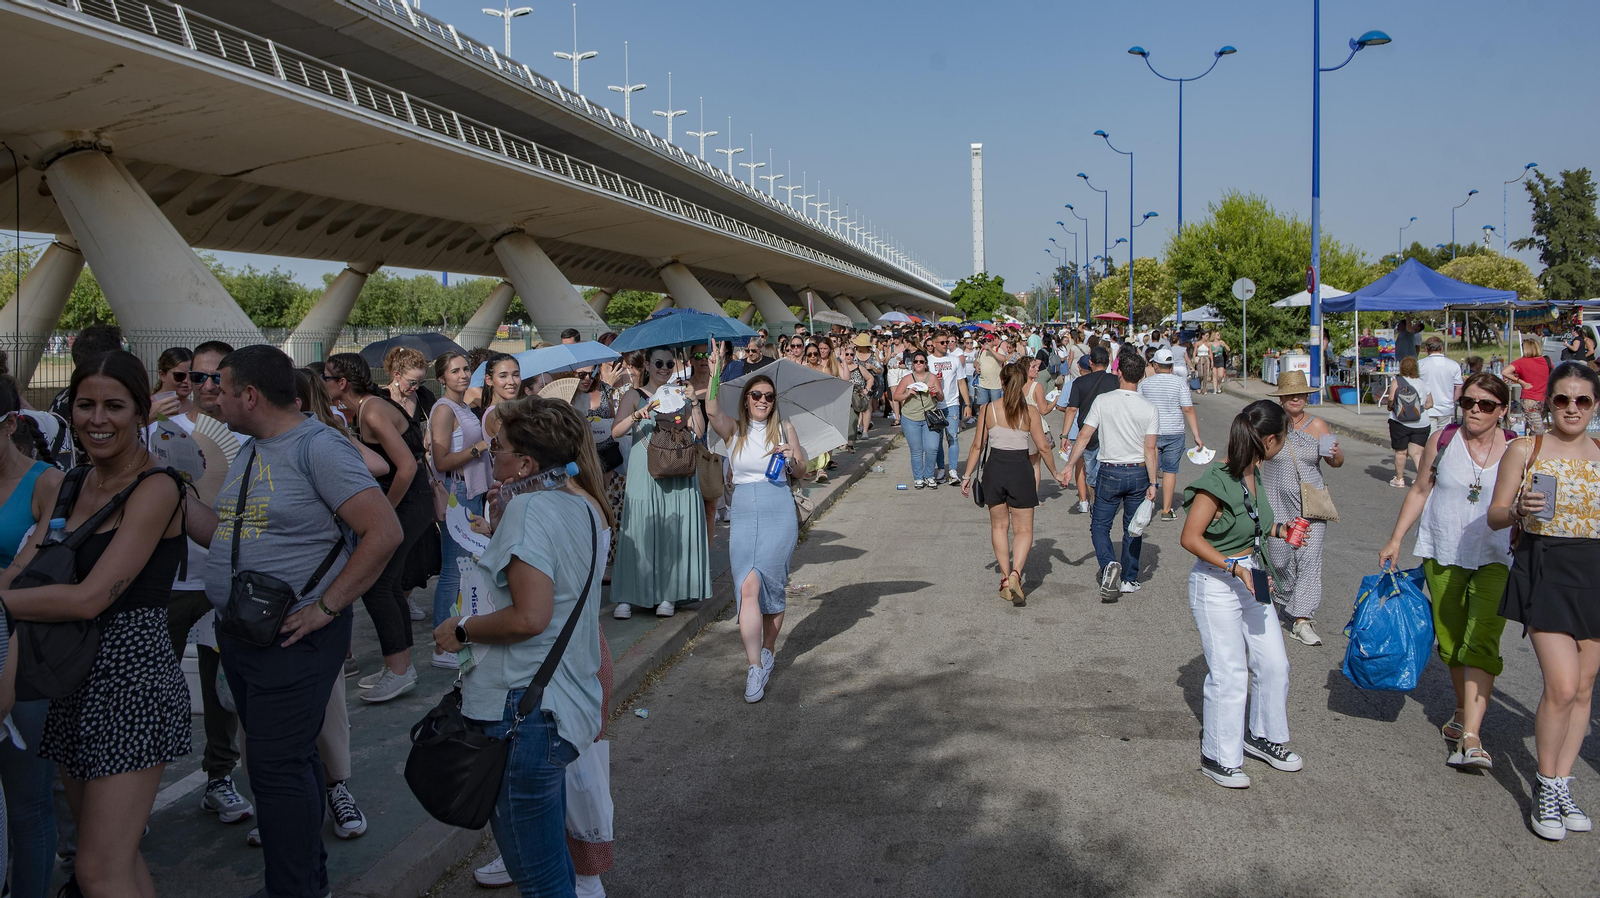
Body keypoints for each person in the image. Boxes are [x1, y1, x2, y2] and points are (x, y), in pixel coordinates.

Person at [202, 345, 400, 896]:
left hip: (292, 639)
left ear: (249, 395)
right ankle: (308, 880)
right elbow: (237, 533)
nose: (212, 396)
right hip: (247, 633)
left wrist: (327, 607)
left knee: (275, 771)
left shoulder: (318, 447)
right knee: (287, 763)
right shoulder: (253, 447)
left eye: (220, 387)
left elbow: (383, 531)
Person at [1, 351, 188, 898]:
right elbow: (22, 574)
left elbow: (88, 599)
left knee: (97, 871)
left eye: (114, 406)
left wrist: (2, 604)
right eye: (85, 405)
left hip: (131, 685)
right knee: (110, 858)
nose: (97, 419)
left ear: (141, 412)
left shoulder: (157, 487)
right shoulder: (70, 482)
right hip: (69, 679)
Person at [432, 397, 610, 897]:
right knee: (551, 864)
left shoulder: (530, 509)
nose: (492, 454)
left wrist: (462, 629)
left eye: (499, 448)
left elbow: (530, 617)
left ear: (527, 463)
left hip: (525, 709)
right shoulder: (580, 503)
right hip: (556, 704)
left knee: (540, 878)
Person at [1487, 362, 1600, 841]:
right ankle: (1546, 784)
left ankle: (1562, 782)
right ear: (1548, 401)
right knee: (1563, 685)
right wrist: (1517, 509)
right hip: (1546, 569)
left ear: (1595, 405)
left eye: (1582, 400)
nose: (1572, 409)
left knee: (1584, 688)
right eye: (1562, 399)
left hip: (1595, 573)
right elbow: (1495, 515)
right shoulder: (1525, 448)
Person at [1379, 373, 1514, 770]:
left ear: (1503, 410)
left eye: (1486, 405)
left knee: (1482, 638)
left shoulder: (1517, 449)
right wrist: (1396, 539)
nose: (1475, 410)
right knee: (1452, 641)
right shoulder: (1443, 439)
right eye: (1468, 402)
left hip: (1496, 557)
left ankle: (1471, 736)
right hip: (1443, 552)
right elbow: (1420, 490)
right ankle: (1463, 708)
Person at [1179, 400, 1303, 789]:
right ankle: (1218, 756)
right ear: (1270, 440)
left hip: (1254, 575)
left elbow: (1253, 522)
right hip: (1217, 582)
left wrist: (1281, 531)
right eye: (1284, 438)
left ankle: (1263, 736)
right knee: (1230, 674)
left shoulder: (1254, 471)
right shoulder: (1217, 479)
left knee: (1274, 663)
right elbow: (1190, 538)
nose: (1284, 444)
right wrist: (1234, 568)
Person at [324, 353, 435, 702]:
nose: (322, 384)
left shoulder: (372, 409)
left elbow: (406, 467)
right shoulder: (368, 407)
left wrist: (385, 512)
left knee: (377, 585)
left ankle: (399, 671)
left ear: (342, 383)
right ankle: (399, 666)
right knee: (387, 584)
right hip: (409, 503)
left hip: (409, 503)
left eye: (326, 378)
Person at [704, 355, 805, 702]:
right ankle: (754, 667)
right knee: (747, 586)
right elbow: (711, 410)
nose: (763, 400)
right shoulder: (734, 430)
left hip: (779, 509)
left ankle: (768, 650)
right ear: (746, 399)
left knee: (772, 588)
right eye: (756, 395)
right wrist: (715, 373)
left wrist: (791, 458)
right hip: (745, 511)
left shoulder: (786, 428)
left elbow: (802, 470)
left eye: (769, 396)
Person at [0, 379, 63, 898]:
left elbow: (25, 577)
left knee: (28, 806)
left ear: (11, 423)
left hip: (25, 659)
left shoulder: (48, 483)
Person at [610, 346, 711, 620]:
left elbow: (698, 432)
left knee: (673, 531)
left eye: (669, 363)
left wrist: (695, 403)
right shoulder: (634, 395)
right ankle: (628, 594)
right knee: (638, 528)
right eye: (658, 363)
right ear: (647, 364)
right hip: (644, 470)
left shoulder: (679, 394)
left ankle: (669, 593)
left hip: (677, 468)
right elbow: (616, 431)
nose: (664, 368)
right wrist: (636, 415)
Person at [961, 362, 1060, 606]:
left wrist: (967, 476)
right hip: (1020, 469)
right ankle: (1017, 573)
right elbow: (1043, 447)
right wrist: (1056, 473)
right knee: (1023, 529)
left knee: (999, 526)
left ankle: (1005, 577)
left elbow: (977, 446)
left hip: (995, 469)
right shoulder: (1030, 412)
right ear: (1024, 383)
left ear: (1002, 382)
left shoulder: (988, 409)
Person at [1064, 351, 1159, 602]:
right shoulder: (1149, 408)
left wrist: (1069, 465)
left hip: (1110, 471)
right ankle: (1129, 579)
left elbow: (1084, 436)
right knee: (1133, 527)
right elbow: (1150, 449)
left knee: (1099, 525)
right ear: (1142, 376)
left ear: (1119, 373)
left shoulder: (1103, 401)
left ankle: (1108, 563)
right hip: (1138, 471)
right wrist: (1153, 482)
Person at [1261, 370, 1345, 646]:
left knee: (1309, 561)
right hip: (1275, 501)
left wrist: (1336, 454)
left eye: (1301, 394)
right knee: (1278, 560)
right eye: (1291, 394)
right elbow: (1256, 458)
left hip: (1310, 504)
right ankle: (1278, 599)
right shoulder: (1271, 424)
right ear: (1281, 398)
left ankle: (1302, 619)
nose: (1296, 398)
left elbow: (1335, 462)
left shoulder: (1318, 425)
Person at [428, 351, 494, 669]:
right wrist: (479, 447)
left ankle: (453, 638)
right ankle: (441, 647)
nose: (463, 375)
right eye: (455, 371)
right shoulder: (444, 409)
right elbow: (440, 461)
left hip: (472, 492)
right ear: (442, 378)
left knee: (464, 567)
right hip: (457, 492)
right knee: (453, 570)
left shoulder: (463, 406)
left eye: (466, 369)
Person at [1139, 348, 1205, 522]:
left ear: (1155, 365)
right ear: (1171, 366)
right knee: (1170, 470)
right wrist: (1196, 435)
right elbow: (1188, 409)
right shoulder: (1179, 383)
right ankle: (1166, 510)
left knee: (1150, 468)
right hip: (1174, 431)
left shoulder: (1145, 384)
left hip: (1151, 432)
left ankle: (1147, 506)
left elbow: (1138, 408)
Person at [1055, 345, 1118, 514]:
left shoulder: (1079, 382)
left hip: (1088, 434)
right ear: (1108, 362)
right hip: (1111, 432)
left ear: (1091, 362)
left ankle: (1096, 505)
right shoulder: (1115, 381)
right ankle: (1106, 502)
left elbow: (1071, 409)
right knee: (1109, 468)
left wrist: (1065, 435)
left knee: (1091, 471)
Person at [1381, 356, 1434, 488]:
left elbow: (1391, 399)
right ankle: (1421, 479)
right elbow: (1430, 403)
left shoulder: (1397, 381)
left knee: (1400, 452)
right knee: (1417, 453)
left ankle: (1399, 479)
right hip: (1421, 422)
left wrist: (1391, 407)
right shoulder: (1423, 383)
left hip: (1400, 421)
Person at [894, 351, 942, 489]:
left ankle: (929, 476)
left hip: (930, 418)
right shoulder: (907, 379)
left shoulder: (932, 378)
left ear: (926, 364)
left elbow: (941, 397)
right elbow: (896, 396)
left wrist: (937, 392)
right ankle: (919, 478)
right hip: (911, 418)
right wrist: (908, 394)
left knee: (932, 448)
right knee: (916, 450)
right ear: (913, 364)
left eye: (921, 361)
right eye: (916, 362)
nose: (919, 364)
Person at [927, 334, 969, 486]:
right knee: (936, 440)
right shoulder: (928, 361)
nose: (946, 344)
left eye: (948, 342)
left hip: (952, 404)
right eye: (943, 342)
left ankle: (953, 470)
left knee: (952, 437)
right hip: (934, 406)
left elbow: (961, 382)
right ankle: (940, 469)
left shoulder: (954, 359)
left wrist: (968, 404)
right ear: (934, 344)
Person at [1417, 336, 1464, 434]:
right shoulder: (1453, 364)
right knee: (1443, 436)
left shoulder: (1420, 364)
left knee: (1430, 436)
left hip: (1427, 407)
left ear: (1426, 349)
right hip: (1446, 407)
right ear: (1442, 348)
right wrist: (1452, 400)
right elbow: (1459, 386)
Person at [843, 334, 878, 453]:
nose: (849, 356)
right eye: (847, 354)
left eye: (851, 354)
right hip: (842, 396)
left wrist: (866, 390)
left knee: (853, 420)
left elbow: (870, 378)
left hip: (856, 396)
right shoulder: (839, 367)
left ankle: (850, 443)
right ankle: (843, 441)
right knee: (843, 420)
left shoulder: (859, 367)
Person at [478, 352, 524, 440]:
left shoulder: (513, 410)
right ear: (489, 380)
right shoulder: (495, 415)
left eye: (516, 375)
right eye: (503, 376)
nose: (511, 382)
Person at [1503, 336, 1551, 418]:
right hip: (1544, 399)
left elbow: (1504, 372)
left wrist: (1520, 381)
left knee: (1534, 424)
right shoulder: (1547, 360)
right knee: (1537, 423)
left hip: (1529, 399)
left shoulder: (1521, 362)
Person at [149, 346, 195, 426]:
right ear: (162, 375)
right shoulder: (148, 407)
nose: (186, 381)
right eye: (179, 376)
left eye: (191, 376)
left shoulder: (195, 407)